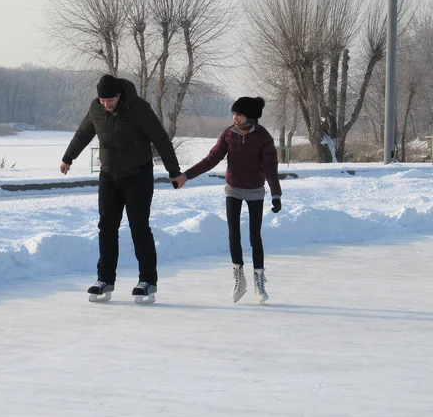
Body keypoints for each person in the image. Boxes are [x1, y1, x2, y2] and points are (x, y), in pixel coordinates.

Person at [60, 74, 184, 304]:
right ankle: (104, 279)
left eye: (111, 101)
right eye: (103, 101)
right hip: (109, 174)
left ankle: (147, 280)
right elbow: (84, 133)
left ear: (119, 95)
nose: (106, 105)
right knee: (106, 226)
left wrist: (174, 172)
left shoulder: (138, 108)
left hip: (138, 174)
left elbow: (161, 139)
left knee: (138, 227)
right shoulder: (96, 108)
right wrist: (68, 158)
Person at [171, 96, 282, 304]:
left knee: (255, 236)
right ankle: (239, 277)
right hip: (233, 189)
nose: (234, 118)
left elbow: (271, 167)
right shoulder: (228, 134)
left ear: (249, 116)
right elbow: (211, 159)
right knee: (233, 234)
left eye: (238, 114)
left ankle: (259, 280)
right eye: (233, 114)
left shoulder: (263, 137)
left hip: (255, 190)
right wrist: (185, 176)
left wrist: (276, 194)